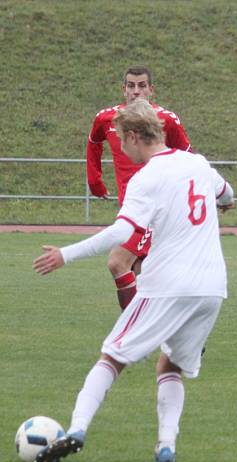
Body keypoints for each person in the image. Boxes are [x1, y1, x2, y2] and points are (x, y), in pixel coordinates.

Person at [32, 100, 234, 462]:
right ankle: (166, 447)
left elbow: (124, 231)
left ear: (133, 136)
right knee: (168, 366)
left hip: (167, 284)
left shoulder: (147, 177)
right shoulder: (197, 163)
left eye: (120, 142)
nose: (119, 151)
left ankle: (76, 431)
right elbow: (228, 195)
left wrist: (66, 253)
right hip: (211, 287)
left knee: (111, 357)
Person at [87, 66, 192, 310]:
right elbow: (93, 143)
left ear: (151, 90)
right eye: (131, 86)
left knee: (119, 263)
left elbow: (188, 157)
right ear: (123, 89)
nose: (136, 91)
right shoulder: (107, 118)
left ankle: (138, 329)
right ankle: (168, 330)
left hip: (156, 210)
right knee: (141, 270)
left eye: (142, 85)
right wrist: (95, 180)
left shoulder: (167, 119)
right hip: (131, 208)